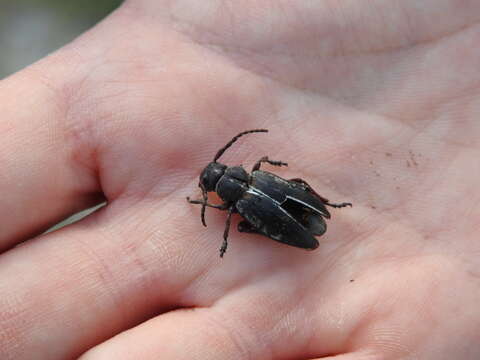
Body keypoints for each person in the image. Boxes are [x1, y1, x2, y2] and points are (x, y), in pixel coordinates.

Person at [1, 1, 479, 359]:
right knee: (288, 194)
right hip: (287, 214)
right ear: (232, 173)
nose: (219, 176)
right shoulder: (256, 177)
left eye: (216, 179)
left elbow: (236, 217)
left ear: (224, 182)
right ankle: (329, 208)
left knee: (271, 209)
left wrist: (223, 224)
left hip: (285, 219)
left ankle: (325, 210)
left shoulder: (234, 201)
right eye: (219, 178)